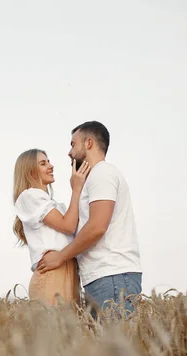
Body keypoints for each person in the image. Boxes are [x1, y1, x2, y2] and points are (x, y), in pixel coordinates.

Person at [36, 121, 142, 317]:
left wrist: (61, 256)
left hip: (112, 277)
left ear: (89, 143)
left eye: (73, 144)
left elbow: (97, 227)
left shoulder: (102, 173)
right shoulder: (96, 178)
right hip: (105, 278)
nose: (69, 152)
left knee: (114, 345)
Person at [13, 149, 90, 306]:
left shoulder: (57, 206)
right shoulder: (29, 196)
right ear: (30, 171)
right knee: (54, 329)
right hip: (52, 275)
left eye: (48, 161)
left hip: (69, 274)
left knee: (69, 329)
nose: (51, 166)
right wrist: (76, 189)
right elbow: (68, 226)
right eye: (43, 163)